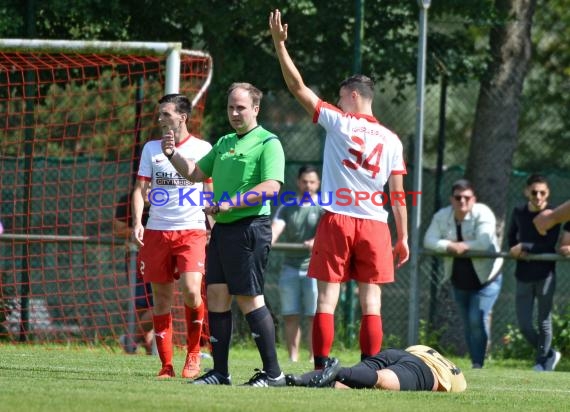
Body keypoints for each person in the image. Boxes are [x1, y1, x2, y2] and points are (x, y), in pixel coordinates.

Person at [269, 10, 409, 369]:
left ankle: (321, 368)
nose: (338, 99)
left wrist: (280, 46)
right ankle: (370, 369)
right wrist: (403, 237)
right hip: (376, 224)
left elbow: (297, 87)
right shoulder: (392, 140)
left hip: (339, 219)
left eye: (340, 95)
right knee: (371, 302)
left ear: (351, 96)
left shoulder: (339, 120)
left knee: (327, 300)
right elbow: (398, 195)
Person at [161, 82, 286, 386]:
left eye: (241, 107)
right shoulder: (225, 142)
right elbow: (194, 173)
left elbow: (272, 187)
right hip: (222, 231)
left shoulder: (268, 142)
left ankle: (274, 374)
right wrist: (171, 154)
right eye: (231, 106)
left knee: (249, 300)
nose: (234, 112)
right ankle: (220, 372)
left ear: (256, 109)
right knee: (216, 296)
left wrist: (231, 203)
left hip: (250, 229)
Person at [132, 93, 213, 379]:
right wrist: (137, 222)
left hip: (191, 229)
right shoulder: (150, 149)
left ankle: (193, 352)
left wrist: (212, 223)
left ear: (182, 116)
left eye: (166, 114)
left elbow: (208, 190)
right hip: (157, 231)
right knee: (161, 299)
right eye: (159, 114)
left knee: (193, 292)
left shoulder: (203, 147)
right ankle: (166, 365)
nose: (160, 119)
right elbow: (140, 189)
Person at [423, 179, 503, 369]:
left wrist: (464, 246)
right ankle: (476, 362)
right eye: (458, 197)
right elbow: (429, 240)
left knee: (477, 317)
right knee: (467, 323)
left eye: (467, 197)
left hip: (487, 278)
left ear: (473, 199)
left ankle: (478, 363)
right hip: (459, 280)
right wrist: (449, 245)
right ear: (452, 199)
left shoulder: (483, 213)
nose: (462, 201)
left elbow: (484, 242)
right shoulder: (442, 216)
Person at [507, 174, 569, 371]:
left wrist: (524, 245)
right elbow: (511, 237)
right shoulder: (518, 212)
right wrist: (514, 248)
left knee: (544, 321)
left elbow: (548, 245)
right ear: (527, 192)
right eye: (534, 192)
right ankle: (550, 354)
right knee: (524, 325)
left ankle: (542, 361)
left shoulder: (552, 215)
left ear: (548, 193)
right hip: (523, 275)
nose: (538, 196)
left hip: (545, 275)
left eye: (543, 192)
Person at [271, 165, 324, 362]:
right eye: (304, 181)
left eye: (312, 182)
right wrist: (269, 240)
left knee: (314, 316)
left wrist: (316, 240)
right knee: (290, 315)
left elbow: (329, 232)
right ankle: (292, 358)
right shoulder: (287, 207)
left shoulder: (324, 207)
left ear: (318, 184)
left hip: (315, 270)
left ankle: (313, 358)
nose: (308, 186)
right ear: (298, 182)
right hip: (290, 268)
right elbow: (275, 229)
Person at [285, 345, 466, 392]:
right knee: (378, 379)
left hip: (397, 353)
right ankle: (338, 371)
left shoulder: (430, 351)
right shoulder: (458, 376)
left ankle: (296, 379)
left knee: (352, 381)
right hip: (424, 371)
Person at [113, 187, 154, 355]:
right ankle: (148, 344)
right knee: (141, 306)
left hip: (162, 256)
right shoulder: (127, 199)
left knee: (161, 303)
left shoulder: (167, 197)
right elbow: (119, 230)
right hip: (135, 258)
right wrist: (139, 232)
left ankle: (130, 340)